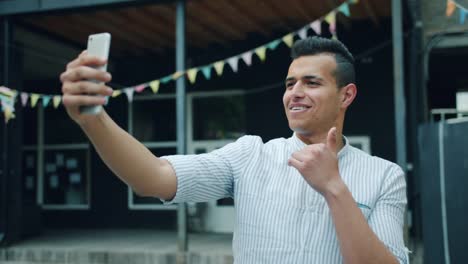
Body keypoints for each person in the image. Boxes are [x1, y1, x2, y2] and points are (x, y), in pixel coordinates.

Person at [60, 36, 408, 263]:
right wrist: (93, 119)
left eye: (311, 83)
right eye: (290, 84)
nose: (294, 92)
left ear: (346, 95)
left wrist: (334, 187)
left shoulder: (384, 176)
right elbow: (153, 178)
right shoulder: (250, 156)